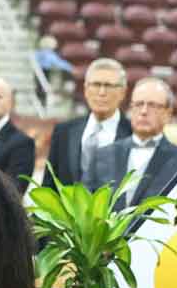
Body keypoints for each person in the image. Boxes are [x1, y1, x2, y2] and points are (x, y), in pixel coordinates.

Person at [92, 76, 177, 209]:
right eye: (138, 104)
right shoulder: (102, 155)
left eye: (152, 105)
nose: (143, 111)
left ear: (168, 114)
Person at [44, 57, 131, 189]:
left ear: (122, 92)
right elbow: (49, 186)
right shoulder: (64, 132)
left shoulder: (133, 133)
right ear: (85, 89)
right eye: (96, 85)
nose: (102, 92)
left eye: (109, 86)